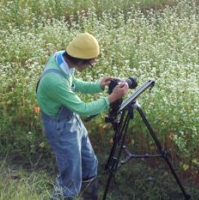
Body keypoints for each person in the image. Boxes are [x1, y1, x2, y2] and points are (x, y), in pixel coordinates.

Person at [36, 32, 129, 200]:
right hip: (59, 127)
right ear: (80, 60)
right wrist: (112, 97)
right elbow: (84, 109)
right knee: (70, 182)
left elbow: (73, 83)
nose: (89, 66)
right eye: (90, 64)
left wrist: (98, 86)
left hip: (70, 119)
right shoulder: (54, 80)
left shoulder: (61, 58)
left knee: (89, 165)